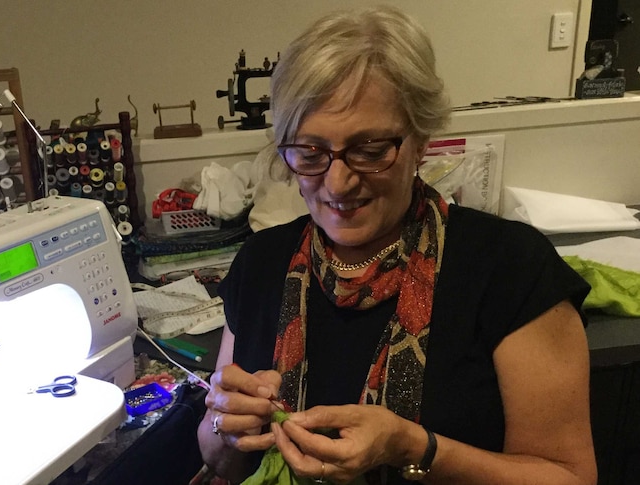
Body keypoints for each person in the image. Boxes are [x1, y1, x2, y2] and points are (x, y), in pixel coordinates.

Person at [197, 5, 597, 485]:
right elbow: (221, 461)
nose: (338, 182)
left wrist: (414, 448)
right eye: (310, 152)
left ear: (420, 139)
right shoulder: (261, 264)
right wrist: (225, 427)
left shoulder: (509, 268)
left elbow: (568, 476)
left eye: (369, 150)